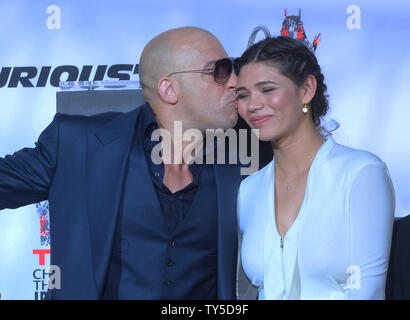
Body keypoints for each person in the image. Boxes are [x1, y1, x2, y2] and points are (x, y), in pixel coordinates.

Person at [0, 26, 259, 299]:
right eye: (218, 71)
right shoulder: (79, 145)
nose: (234, 82)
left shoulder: (248, 159)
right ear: (169, 89)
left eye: (234, 68)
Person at [235, 35, 395, 299]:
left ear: (307, 89)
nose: (252, 105)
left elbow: (368, 291)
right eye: (243, 95)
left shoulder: (360, 174)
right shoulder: (248, 190)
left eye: (267, 90)